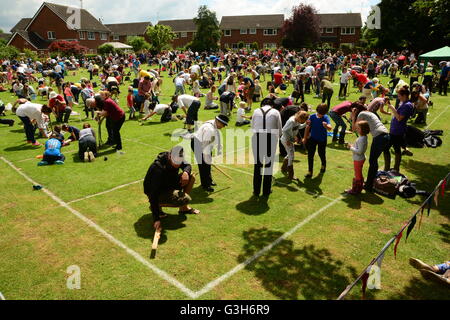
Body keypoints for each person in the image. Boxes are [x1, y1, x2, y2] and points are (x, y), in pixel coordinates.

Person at [143, 146, 199, 231]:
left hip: (169, 183)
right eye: (175, 162)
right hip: (157, 191)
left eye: (179, 162)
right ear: (170, 156)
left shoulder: (178, 156)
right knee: (184, 199)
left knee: (191, 177)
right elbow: (153, 193)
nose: (177, 165)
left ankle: (183, 208)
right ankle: (157, 207)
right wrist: (156, 219)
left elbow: (187, 165)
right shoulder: (158, 169)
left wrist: (186, 172)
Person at [352, 107, 390, 192]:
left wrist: (354, 115)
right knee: (374, 160)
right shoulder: (371, 113)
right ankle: (371, 181)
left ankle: (369, 185)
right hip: (386, 135)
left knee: (372, 161)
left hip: (379, 137)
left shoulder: (361, 114)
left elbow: (354, 128)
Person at [251, 98, 283, 197]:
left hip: (257, 137)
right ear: (272, 105)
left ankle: (256, 190)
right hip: (270, 138)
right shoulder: (276, 112)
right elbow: (280, 128)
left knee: (257, 165)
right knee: (269, 166)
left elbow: (252, 127)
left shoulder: (256, 111)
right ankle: (266, 190)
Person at [191, 115, 229, 192]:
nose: (223, 126)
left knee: (207, 164)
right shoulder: (209, 129)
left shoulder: (214, 123)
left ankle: (209, 180)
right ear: (218, 122)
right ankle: (205, 185)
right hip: (198, 144)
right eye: (223, 124)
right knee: (203, 165)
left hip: (205, 143)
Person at [383, 86, 414, 173]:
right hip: (396, 130)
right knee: (396, 148)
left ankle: (387, 168)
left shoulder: (407, 105)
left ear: (404, 96)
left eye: (399, 95)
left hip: (397, 131)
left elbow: (399, 118)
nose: (398, 97)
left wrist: (392, 108)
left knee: (386, 148)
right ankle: (395, 168)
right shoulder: (404, 103)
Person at [302, 103, 332, 178]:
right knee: (310, 155)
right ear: (317, 111)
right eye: (319, 113)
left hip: (322, 139)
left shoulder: (326, 117)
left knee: (321, 153)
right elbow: (307, 128)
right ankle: (310, 171)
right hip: (313, 138)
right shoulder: (312, 117)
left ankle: (323, 165)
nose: (320, 115)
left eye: (322, 114)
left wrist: (326, 126)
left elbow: (330, 128)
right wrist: (305, 138)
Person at [280, 111, 309, 180]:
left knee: (290, 154)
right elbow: (284, 130)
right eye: (302, 120)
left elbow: (299, 127)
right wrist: (287, 140)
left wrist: (305, 124)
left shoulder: (297, 120)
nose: (302, 122)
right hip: (286, 140)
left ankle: (284, 168)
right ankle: (291, 174)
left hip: (290, 139)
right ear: (299, 117)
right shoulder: (291, 121)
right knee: (291, 156)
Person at [345, 120, 370, 195]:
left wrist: (350, 148)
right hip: (359, 159)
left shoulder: (362, 139)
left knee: (357, 175)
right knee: (358, 174)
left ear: (363, 129)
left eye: (358, 128)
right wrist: (352, 145)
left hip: (358, 159)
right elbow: (359, 148)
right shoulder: (363, 137)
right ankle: (358, 187)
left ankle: (356, 190)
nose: (356, 129)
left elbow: (360, 151)